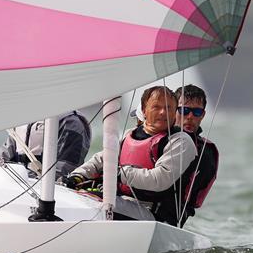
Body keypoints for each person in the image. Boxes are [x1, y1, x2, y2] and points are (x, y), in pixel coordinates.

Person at [65, 86, 198, 227]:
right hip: (121, 202)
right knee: (73, 196)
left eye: (169, 108)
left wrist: (117, 173)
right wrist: (76, 176)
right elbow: (102, 159)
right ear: (144, 110)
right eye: (156, 107)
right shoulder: (129, 134)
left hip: (155, 215)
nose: (163, 112)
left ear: (175, 112)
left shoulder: (181, 141)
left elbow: (160, 179)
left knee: (90, 202)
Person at [0, 110, 92, 181]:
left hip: (48, 189)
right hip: (15, 181)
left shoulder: (72, 122)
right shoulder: (23, 120)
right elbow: (3, 158)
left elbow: (65, 168)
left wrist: (32, 180)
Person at [173, 84, 219, 220]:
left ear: (203, 115)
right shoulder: (155, 138)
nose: (190, 116)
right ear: (173, 110)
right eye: (184, 110)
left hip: (171, 219)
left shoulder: (206, 153)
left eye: (197, 112)